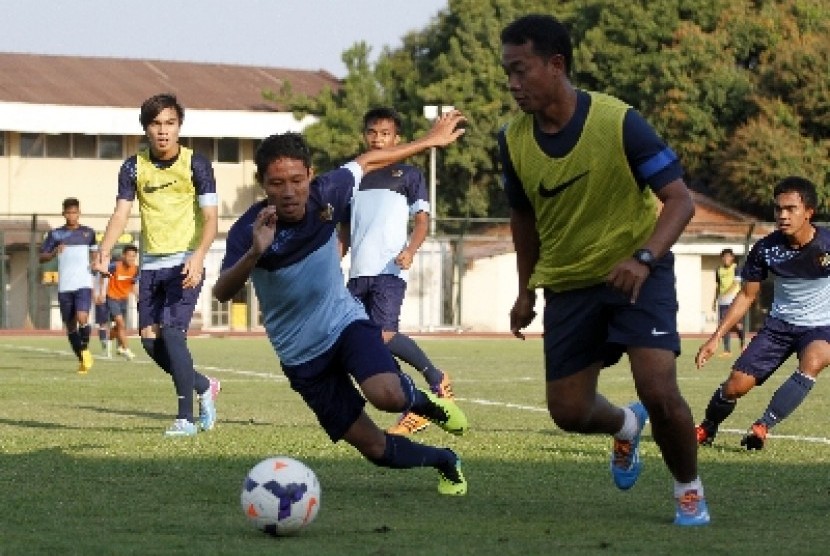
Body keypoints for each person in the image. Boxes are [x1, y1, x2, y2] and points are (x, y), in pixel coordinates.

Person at [499, 14, 709, 526]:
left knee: (659, 391)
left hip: (638, 273)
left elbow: (680, 201)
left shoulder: (619, 121)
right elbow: (523, 217)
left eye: (521, 70)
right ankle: (624, 426)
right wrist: (526, 289)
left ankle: (688, 488)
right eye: (507, 73)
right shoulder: (511, 140)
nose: (513, 84)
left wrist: (644, 258)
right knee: (569, 413)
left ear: (556, 65)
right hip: (569, 284)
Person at [212, 111, 469, 495]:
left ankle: (427, 404)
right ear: (263, 185)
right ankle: (445, 460)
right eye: (277, 183)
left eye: (297, 181)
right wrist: (253, 253)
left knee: (389, 395)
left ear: (311, 176)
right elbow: (221, 293)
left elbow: (367, 161)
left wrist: (430, 141)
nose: (288, 192)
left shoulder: (328, 194)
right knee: (375, 448)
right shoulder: (250, 229)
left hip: (344, 324)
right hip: (301, 357)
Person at [93, 93, 220, 437]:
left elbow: (211, 218)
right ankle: (205, 385)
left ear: (179, 127)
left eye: (170, 123)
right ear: (146, 128)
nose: (163, 131)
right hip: (150, 266)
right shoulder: (133, 167)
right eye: (156, 124)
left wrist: (199, 255)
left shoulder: (197, 164)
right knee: (150, 341)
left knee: (173, 333)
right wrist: (105, 249)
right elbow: (121, 213)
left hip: (185, 262)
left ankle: (185, 418)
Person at [338, 107, 454, 437]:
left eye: (385, 133)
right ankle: (415, 404)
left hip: (389, 268)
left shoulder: (410, 176)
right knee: (359, 341)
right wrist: (334, 262)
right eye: (372, 133)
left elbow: (422, 222)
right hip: (358, 274)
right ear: (365, 136)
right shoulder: (354, 179)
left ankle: (436, 379)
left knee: (384, 334)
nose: (378, 139)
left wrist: (411, 250)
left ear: (396, 138)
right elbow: (344, 231)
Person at [695, 177, 830, 451]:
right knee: (735, 387)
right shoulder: (766, 249)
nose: (783, 215)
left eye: (791, 208)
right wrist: (715, 338)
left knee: (815, 359)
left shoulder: (827, 243)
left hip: (821, 327)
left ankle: (762, 426)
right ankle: (707, 428)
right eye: (778, 209)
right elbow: (746, 296)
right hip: (778, 327)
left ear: (809, 212)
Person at [40, 197, 96, 374]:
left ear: (79, 212)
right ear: (63, 213)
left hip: (83, 282)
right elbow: (43, 257)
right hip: (65, 285)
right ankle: (82, 359)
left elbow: (95, 255)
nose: (72, 215)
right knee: (71, 326)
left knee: (82, 318)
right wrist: (55, 252)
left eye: (75, 212)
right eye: (69, 212)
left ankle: (85, 350)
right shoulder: (56, 234)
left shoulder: (89, 233)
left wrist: (95, 266)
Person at [106, 244, 139, 361]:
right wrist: (99, 292)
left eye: (134, 257)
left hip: (124, 299)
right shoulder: (114, 266)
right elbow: (102, 276)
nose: (132, 259)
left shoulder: (136, 269)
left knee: (118, 326)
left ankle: (110, 340)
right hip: (112, 297)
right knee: (121, 323)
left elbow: (133, 284)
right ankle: (126, 348)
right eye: (130, 256)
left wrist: (137, 296)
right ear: (123, 256)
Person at [713, 248, 745, 356]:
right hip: (722, 301)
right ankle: (727, 350)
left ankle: (742, 344)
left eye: (728, 256)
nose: (726, 259)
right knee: (723, 324)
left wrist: (727, 292)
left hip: (734, 299)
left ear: (732, 258)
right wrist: (714, 300)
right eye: (724, 257)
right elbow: (718, 286)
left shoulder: (736, 268)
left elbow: (736, 283)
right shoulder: (718, 270)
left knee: (737, 325)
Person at [91, 246, 112, 358]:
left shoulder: (112, 266)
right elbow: (97, 281)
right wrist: (97, 294)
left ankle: (120, 346)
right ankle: (105, 346)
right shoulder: (95, 268)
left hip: (112, 296)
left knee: (116, 322)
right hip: (102, 297)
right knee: (102, 323)